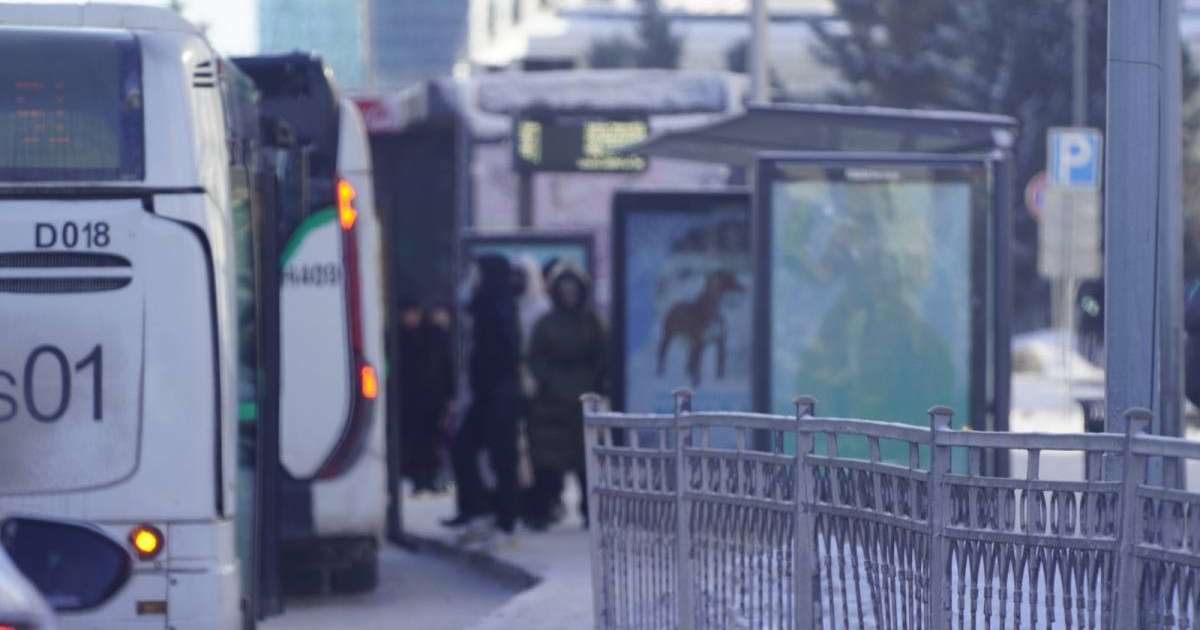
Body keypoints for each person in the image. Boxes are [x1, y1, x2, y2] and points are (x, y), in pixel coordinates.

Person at [444, 255, 522, 541]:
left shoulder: (498, 305)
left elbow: (504, 353)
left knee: (501, 457)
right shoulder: (486, 304)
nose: (472, 280)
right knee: (464, 447)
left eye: (477, 274)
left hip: (499, 394)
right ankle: (479, 510)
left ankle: (505, 519)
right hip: (486, 393)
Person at [525, 263, 607, 528]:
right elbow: (535, 359)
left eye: (574, 290)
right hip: (551, 406)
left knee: (587, 462)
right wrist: (552, 382)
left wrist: (592, 384)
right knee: (547, 462)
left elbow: (603, 357)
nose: (569, 295)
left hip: (584, 401)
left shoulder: (592, 323)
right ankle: (544, 510)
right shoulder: (546, 324)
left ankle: (591, 513)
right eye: (564, 289)